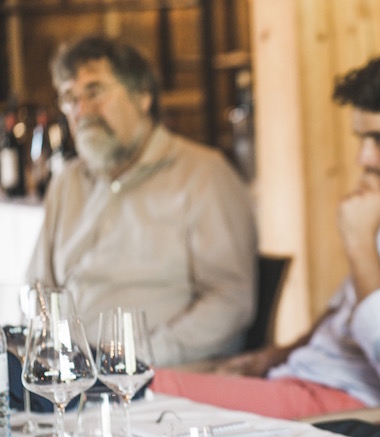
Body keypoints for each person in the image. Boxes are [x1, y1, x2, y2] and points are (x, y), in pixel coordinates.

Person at [149, 43, 380, 419]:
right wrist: (270, 356)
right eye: (361, 139)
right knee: (133, 387)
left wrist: (361, 246)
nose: (363, 158)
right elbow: (341, 316)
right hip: (296, 381)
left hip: (346, 410)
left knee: (145, 390)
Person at [26, 35, 258, 367]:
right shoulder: (67, 183)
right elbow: (38, 289)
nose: (81, 110)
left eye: (94, 92)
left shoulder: (203, 175)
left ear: (143, 96)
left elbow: (230, 302)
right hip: (71, 379)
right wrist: (52, 354)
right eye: (69, 97)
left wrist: (136, 357)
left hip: (162, 381)